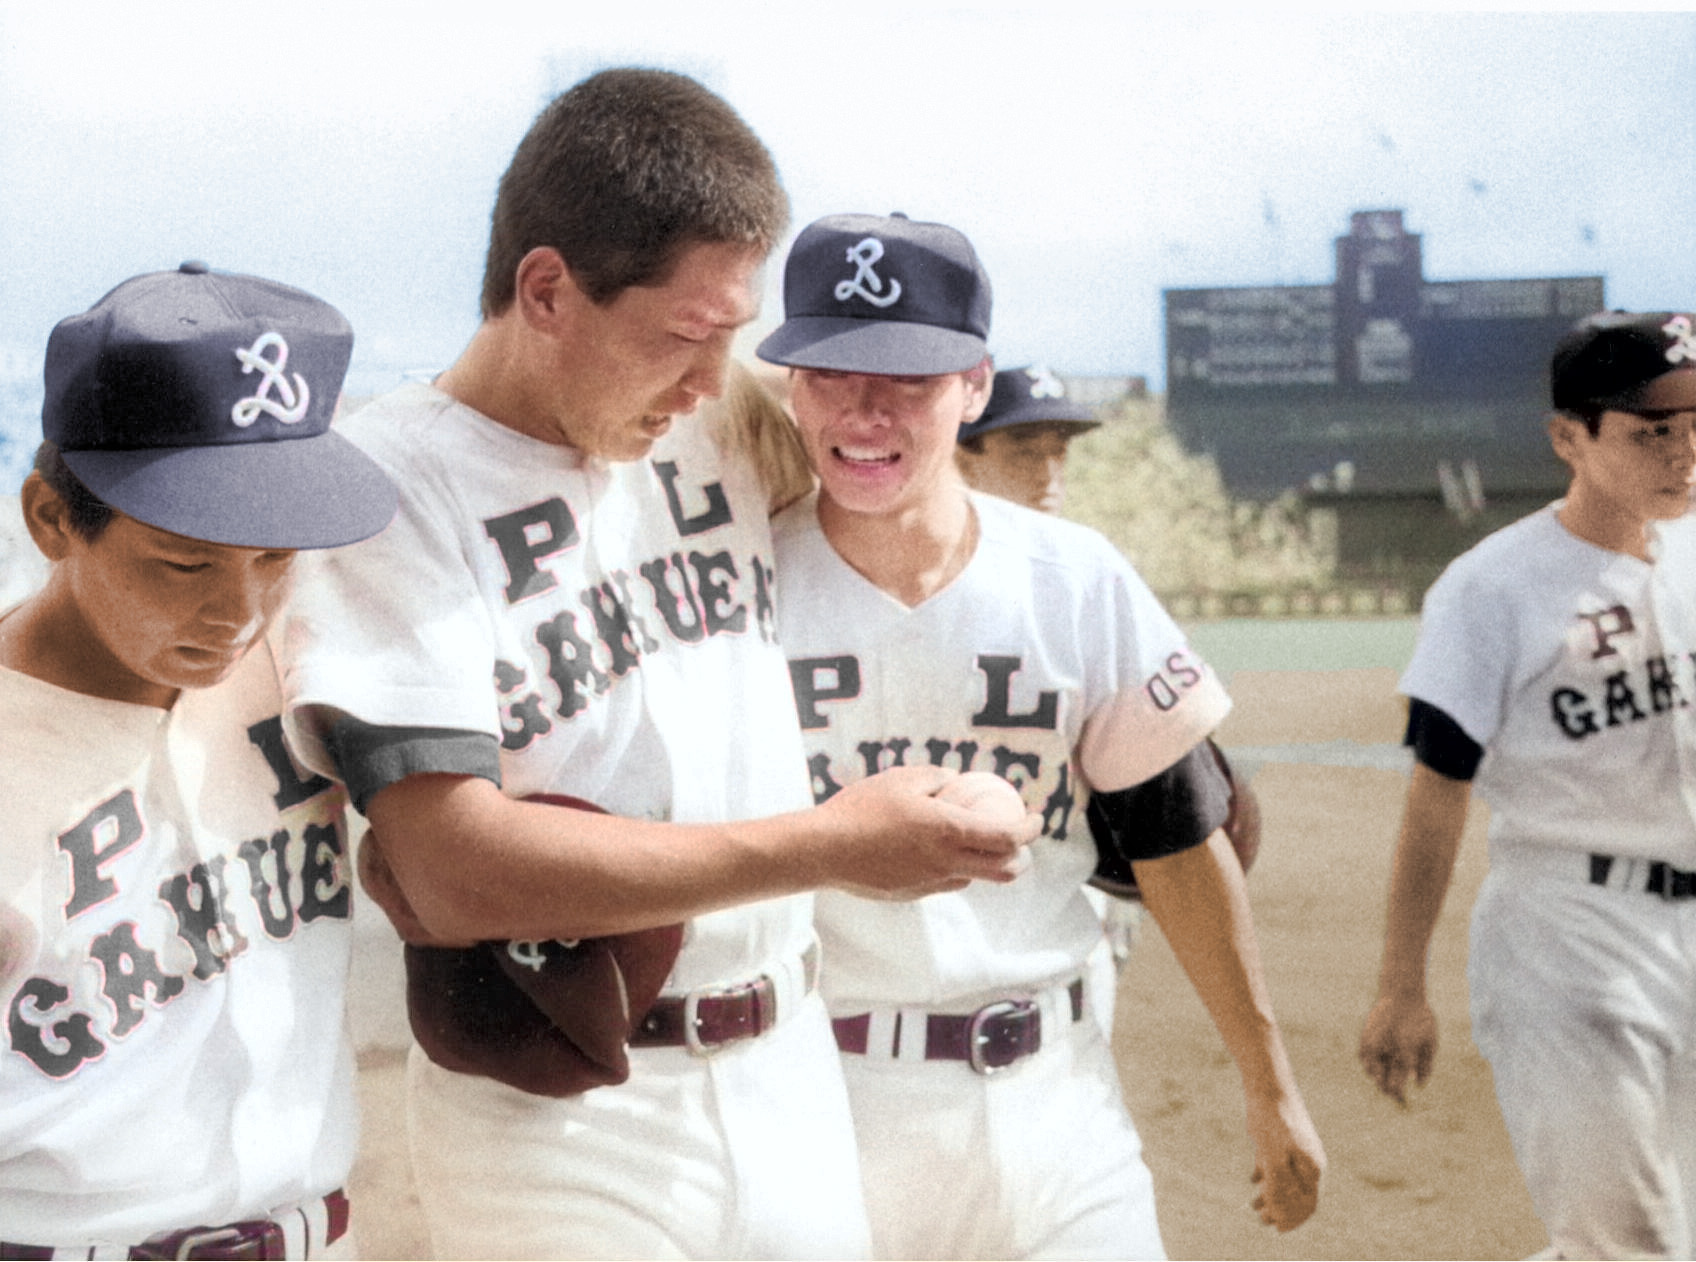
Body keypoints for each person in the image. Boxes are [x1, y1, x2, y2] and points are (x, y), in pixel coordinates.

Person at [277, 70, 1035, 1261]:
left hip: (789, 1061)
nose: (708, 381)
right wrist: (832, 843)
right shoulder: (389, 493)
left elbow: (897, 476)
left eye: (731, 339)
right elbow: (456, 865)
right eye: (683, 337)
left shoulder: (714, 416)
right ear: (546, 290)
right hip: (557, 1110)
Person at [760, 211, 1325, 1259]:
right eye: (831, 372)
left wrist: (1268, 1079)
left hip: (1058, 1091)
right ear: (789, 384)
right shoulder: (744, 589)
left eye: (909, 377)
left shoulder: (1072, 576)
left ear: (975, 383)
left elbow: (1178, 842)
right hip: (824, 1100)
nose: (865, 408)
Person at [0, 262, 397, 1257]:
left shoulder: (298, 655)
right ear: (52, 518)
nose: (238, 609)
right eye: (184, 563)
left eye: (273, 554)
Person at [1359, 310, 1696, 1259]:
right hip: (1571, 938)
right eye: (1652, 433)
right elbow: (1437, 790)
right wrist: (1401, 985)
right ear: (1569, 438)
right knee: (1625, 1241)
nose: (1683, 455)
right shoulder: (1491, 588)